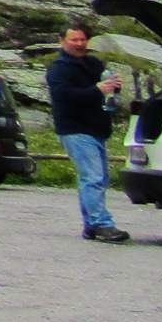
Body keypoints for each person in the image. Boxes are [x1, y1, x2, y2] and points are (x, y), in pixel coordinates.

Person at [46, 24, 129, 243]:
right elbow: (63, 95)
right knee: (93, 177)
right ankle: (102, 224)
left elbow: (104, 87)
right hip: (75, 128)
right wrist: (97, 90)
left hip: (96, 127)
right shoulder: (58, 67)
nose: (80, 44)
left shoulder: (93, 63)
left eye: (82, 39)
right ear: (62, 41)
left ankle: (91, 225)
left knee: (97, 177)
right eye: (74, 40)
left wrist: (114, 86)